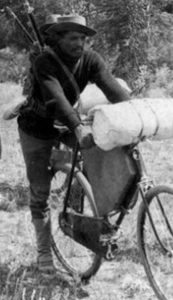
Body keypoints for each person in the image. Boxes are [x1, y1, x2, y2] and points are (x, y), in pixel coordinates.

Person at [17, 15, 131, 273]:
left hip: (67, 122)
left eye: (83, 38)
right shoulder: (44, 61)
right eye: (73, 39)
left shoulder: (91, 59)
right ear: (58, 39)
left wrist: (134, 112)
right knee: (40, 189)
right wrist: (79, 128)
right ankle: (44, 252)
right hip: (37, 127)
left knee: (102, 150)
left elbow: (112, 87)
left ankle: (80, 198)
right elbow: (56, 99)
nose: (79, 43)